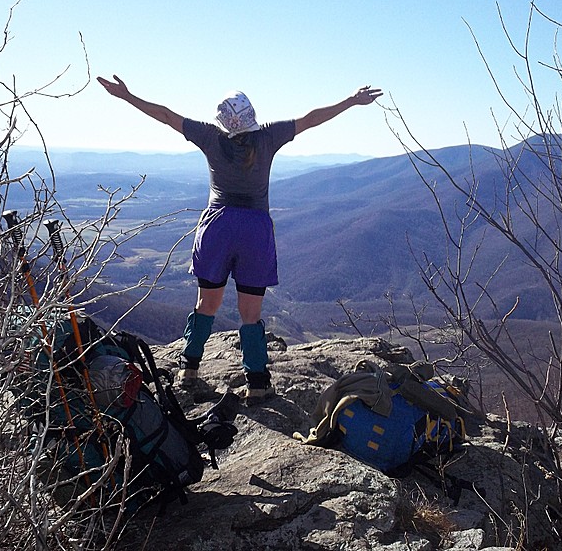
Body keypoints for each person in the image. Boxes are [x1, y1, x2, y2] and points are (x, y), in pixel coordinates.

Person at [97, 75, 382, 404]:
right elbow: (312, 118)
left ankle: (188, 370)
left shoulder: (209, 136)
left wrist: (127, 96)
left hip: (217, 227)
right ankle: (257, 382)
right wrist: (351, 100)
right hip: (255, 231)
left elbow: (165, 114)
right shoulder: (268, 137)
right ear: (251, 116)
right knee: (251, 313)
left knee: (206, 304)